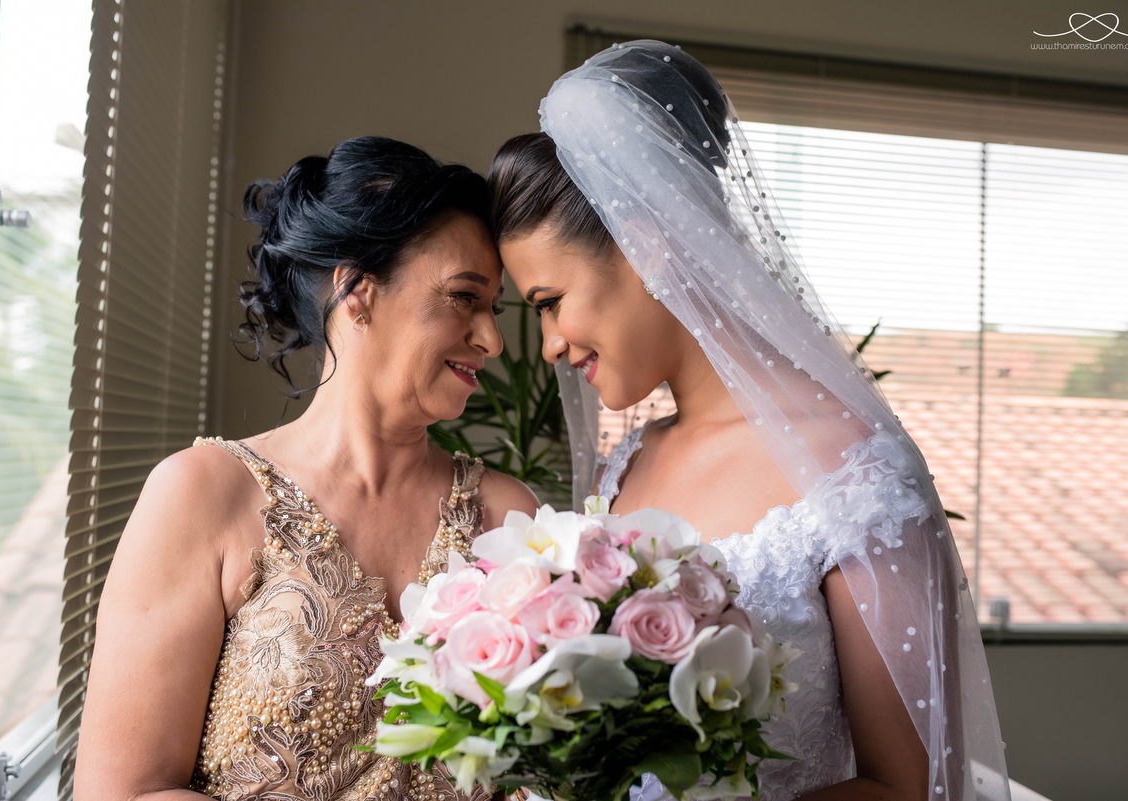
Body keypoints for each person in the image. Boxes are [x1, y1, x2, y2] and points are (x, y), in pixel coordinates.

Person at [489, 42, 1009, 801]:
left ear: (646, 246)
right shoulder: (626, 464)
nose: (549, 347)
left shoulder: (855, 472)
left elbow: (910, 787)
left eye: (550, 303)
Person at [75, 137, 538, 801]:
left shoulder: (508, 517)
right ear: (356, 290)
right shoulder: (202, 494)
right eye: (465, 297)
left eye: (494, 307)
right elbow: (123, 791)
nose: (491, 339)